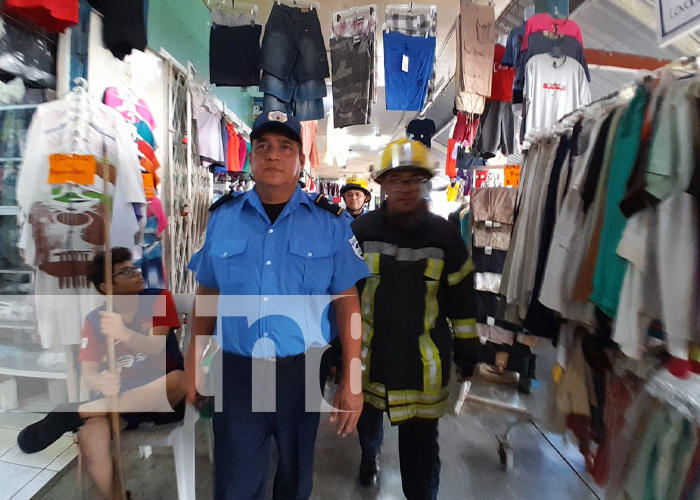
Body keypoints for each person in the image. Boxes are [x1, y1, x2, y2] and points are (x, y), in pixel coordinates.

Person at [185, 110, 369, 500]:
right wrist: (195, 365)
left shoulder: (330, 222)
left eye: (286, 147)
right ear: (251, 157)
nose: (274, 155)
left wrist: (352, 377)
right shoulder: (223, 218)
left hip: (300, 372)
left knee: (295, 479)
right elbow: (207, 295)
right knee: (235, 483)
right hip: (237, 373)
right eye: (264, 146)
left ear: (300, 160)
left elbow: (347, 302)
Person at [351, 138, 481, 500]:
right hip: (368, 359)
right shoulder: (360, 234)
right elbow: (343, 297)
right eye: (396, 180)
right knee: (368, 422)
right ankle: (369, 456)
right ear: (382, 185)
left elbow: (463, 299)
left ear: (425, 184)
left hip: (423, 364)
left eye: (414, 180)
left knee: (420, 451)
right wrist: (336, 353)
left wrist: (468, 351)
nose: (405, 188)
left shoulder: (445, 237)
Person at [17, 248, 186, 500]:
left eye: (134, 267)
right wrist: (102, 380)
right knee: (91, 434)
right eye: (126, 271)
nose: (136, 273)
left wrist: (124, 332)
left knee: (180, 380)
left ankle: (76, 411)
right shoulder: (95, 319)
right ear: (108, 286)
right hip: (120, 399)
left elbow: (155, 346)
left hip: (162, 397)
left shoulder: (159, 298)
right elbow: (89, 373)